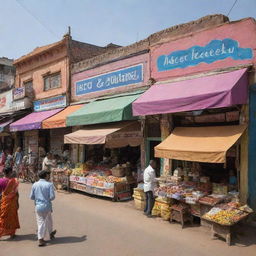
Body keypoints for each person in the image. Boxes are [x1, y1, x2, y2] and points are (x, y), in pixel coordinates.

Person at [30, 170, 56, 247]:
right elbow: (52, 197)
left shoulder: (35, 184)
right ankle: (40, 239)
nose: (49, 176)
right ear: (45, 176)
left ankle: (50, 233)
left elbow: (32, 197)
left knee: (47, 220)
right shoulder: (49, 185)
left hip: (38, 206)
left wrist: (39, 198)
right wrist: (46, 198)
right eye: (48, 175)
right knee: (42, 222)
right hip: (47, 205)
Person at [0, 167, 20, 239]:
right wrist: (17, 203)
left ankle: (1, 233)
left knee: (3, 217)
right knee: (12, 217)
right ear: (10, 172)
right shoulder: (14, 181)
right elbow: (17, 193)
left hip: (4, 201)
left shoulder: (0, 181)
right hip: (12, 202)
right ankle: (12, 234)